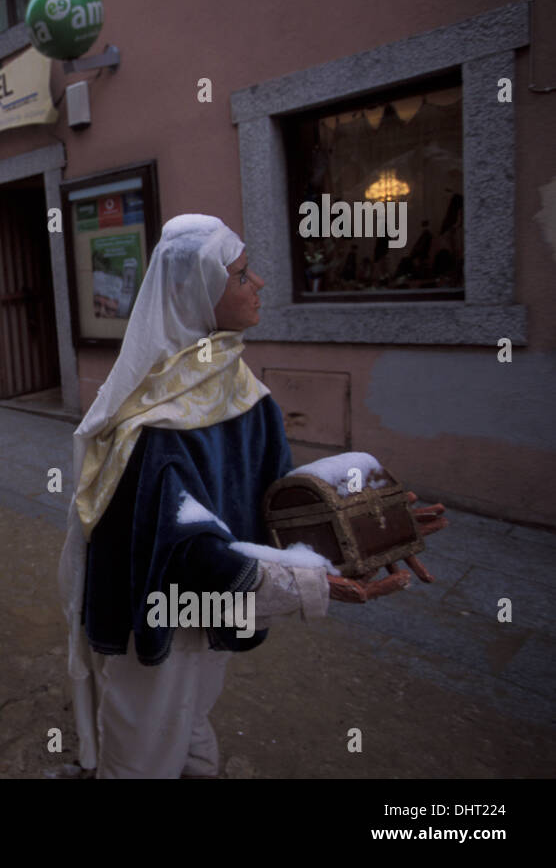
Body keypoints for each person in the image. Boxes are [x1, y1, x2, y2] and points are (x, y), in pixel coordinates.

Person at [58, 214, 447, 779]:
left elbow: (272, 497)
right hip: (157, 612)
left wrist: (360, 523)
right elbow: (183, 546)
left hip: (217, 607)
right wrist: (308, 582)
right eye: (242, 275)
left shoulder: (244, 389)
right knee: (141, 747)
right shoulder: (155, 420)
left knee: (190, 716)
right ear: (201, 293)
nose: (259, 283)